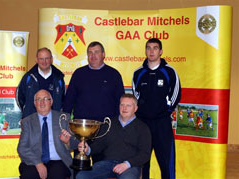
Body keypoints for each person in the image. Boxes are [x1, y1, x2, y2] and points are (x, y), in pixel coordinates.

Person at [132, 38, 181, 179]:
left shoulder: (170, 72)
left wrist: (165, 111)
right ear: (145, 50)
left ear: (160, 51)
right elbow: (136, 97)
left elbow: (176, 94)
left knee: (166, 162)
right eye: (148, 48)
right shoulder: (138, 73)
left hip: (162, 123)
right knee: (142, 162)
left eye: (155, 48)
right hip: (143, 124)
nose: (151, 51)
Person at [75, 94, 152, 179]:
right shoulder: (108, 124)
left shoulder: (143, 128)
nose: (124, 108)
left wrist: (127, 164)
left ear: (135, 108)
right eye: (122, 105)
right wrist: (87, 149)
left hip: (130, 166)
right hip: (107, 164)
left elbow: (145, 154)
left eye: (128, 105)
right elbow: (99, 145)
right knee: (81, 176)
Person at [17, 89, 78, 179]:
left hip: (58, 160)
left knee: (57, 175)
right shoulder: (27, 121)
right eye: (38, 99)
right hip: (34, 161)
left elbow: (76, 143)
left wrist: (68, 142)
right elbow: (22, 148)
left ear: (51, 101)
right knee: (29, 175)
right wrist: (38, 163)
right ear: (34, 103)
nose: (42, 102)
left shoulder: (64, 118)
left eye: (45, 99)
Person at [63, 41, 125, 122]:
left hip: (107, 125)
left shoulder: (114, 74)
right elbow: (69, 101)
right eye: (90, 53)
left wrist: (117, 123)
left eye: (96, 52)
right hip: (82, 124)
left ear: (103, 54)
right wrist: (65, 123)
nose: (93, 56)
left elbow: (120, 101)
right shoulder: (78, 74)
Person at [16, 47, 65, 119]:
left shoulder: (59, 78)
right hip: (31, 120)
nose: (44, 62)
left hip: (54, 121)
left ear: (51, 59)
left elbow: (63, 100)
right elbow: (20, 98)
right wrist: (29, 111)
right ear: (36, 60)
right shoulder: (28, 77)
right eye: (41, 59)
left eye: (47, 58)